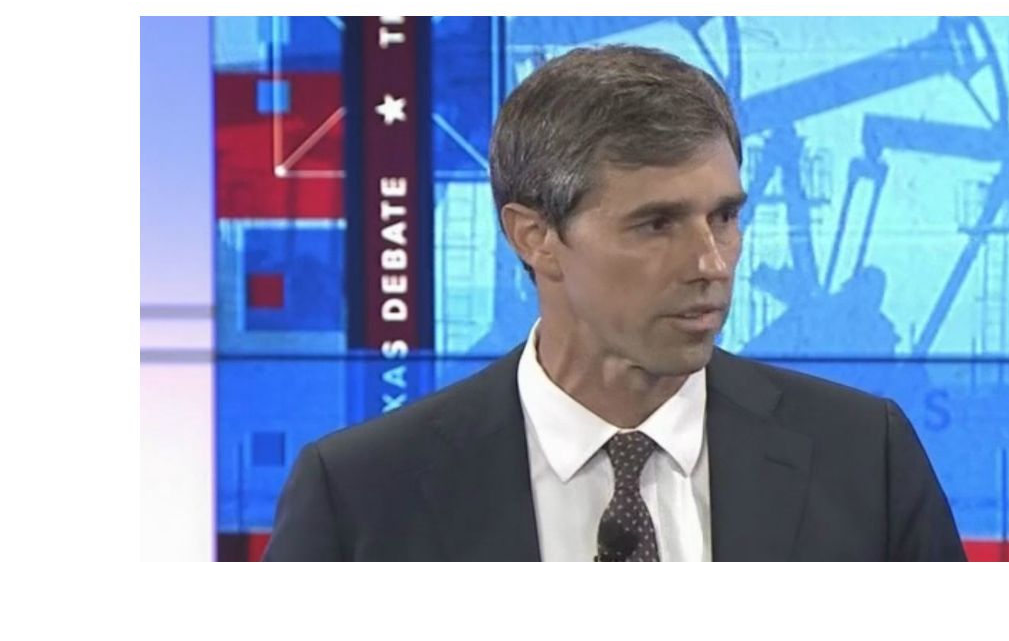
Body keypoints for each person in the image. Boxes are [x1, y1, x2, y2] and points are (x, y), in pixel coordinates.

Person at [263, 45, 966, 561]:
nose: (711, 263)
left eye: (723, 217)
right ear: (536, 237)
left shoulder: (864, 457)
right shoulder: (361, 496)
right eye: (657, 224)